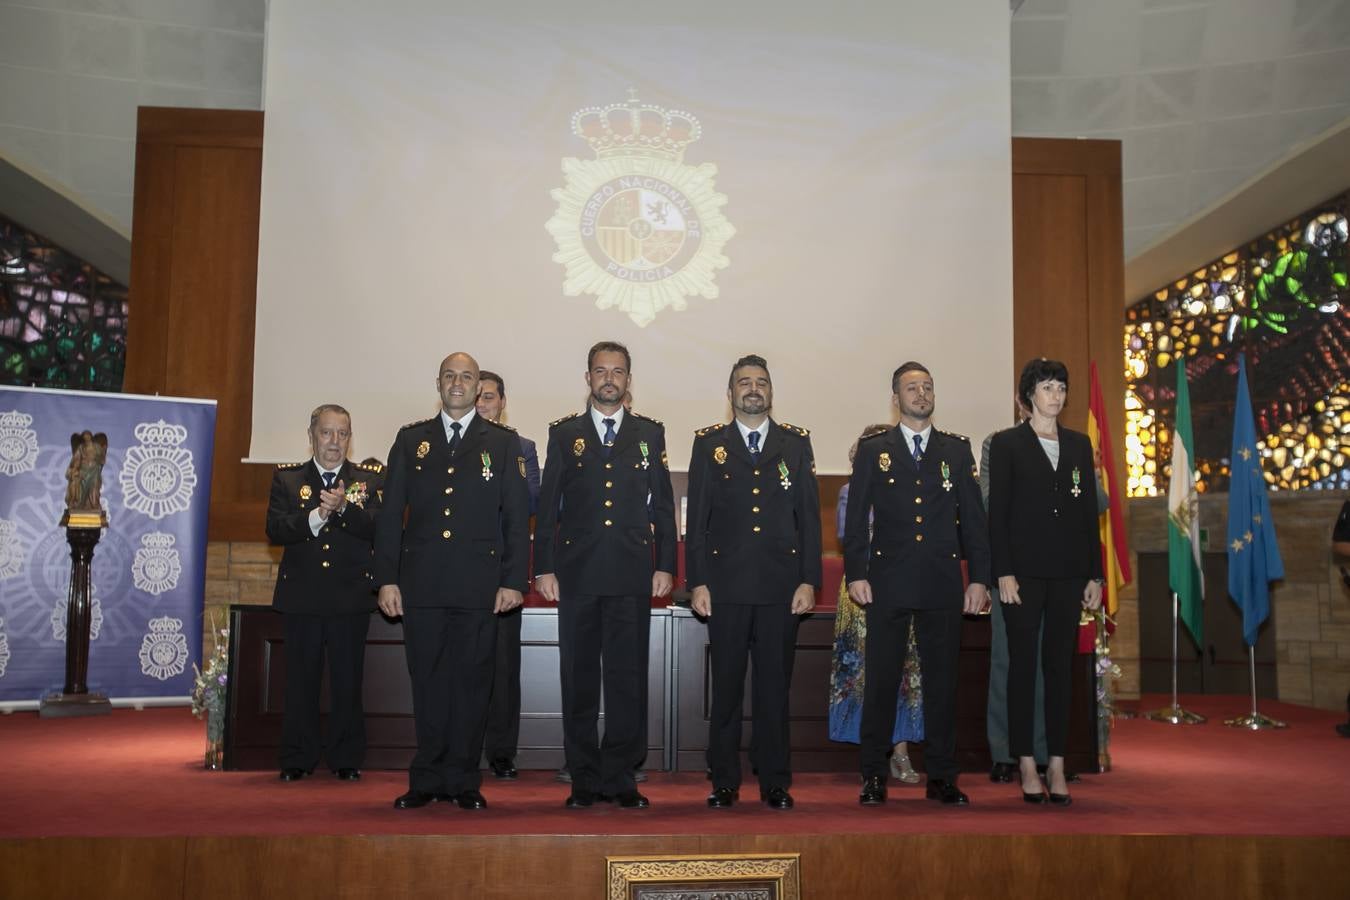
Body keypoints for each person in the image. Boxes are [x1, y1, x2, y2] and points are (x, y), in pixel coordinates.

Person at [374, 352, 530, 810]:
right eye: (450, 376)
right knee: (428, 681)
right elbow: (389, 517)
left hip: (477, 586)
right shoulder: (411, 440)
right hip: (421, 584)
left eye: (467, 377)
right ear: (438, 384)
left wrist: (513, 580)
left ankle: (463, 779)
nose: (458, 384)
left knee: (472, 683)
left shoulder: (502, 443)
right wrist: (386, 578)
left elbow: (517, 520)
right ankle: (426, 777)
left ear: (479, 385)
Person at [534, 341, 676, 809]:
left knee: (626, 678)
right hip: (577, 575)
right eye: (600, 371)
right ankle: (584, 776)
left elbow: (662, 504)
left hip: (632, 575)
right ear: (588, 378)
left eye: (617, 372)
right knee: (577, 678)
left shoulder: (648, 433)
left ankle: (621, 776)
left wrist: (665, 565)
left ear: (629, 380)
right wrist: (544, 568)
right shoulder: (564, 434)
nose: (609, 379)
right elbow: (548, 504)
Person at [843, 361, 991, 807]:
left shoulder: (955, 450)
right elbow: (855, 522)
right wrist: (857, 573)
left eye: (927, 387)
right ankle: (873, 774)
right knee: (882, 682)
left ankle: (943, 776)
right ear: (896, 398)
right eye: (912, 388)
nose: (921, 394)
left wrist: (979, 578)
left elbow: (975, 525)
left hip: (943, 582)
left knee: (942, 683)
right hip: (888, 581)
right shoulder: (875, 450)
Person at [686, 354, 821, 810]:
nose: (753, 389)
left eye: (761, 382)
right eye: (744, 382)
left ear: (771, 391)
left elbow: (809, 519)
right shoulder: (709, 445)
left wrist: (809, 579)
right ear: (730, 394)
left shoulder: (795, 443)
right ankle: (724, 778)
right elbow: (698, 519)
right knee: (725, 688)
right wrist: (698, 581)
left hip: (780, 589)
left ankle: (774, 780)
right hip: (725, 588)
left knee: (772, 689)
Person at [988, 358, 1103, 807]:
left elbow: (1086, 516)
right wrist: (1003, 572)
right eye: (1047, 387)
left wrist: (1093, 573)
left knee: (1059, 668)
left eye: (1061, 387)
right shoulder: (1008, 444)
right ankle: (1026, 762)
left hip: (1068, 573)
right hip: (1022, 574)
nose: (1055, 395)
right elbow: (997, 516)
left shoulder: (1078, 444)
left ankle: (1056, 760)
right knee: (1022, 668)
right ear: (1028, 396)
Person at [265, 404, 384, 782]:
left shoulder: (365, 481)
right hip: (302, 598)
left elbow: (377, 529)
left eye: (343, 434)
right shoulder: (288, 479)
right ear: (312, 434)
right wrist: (315, 516)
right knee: (300, 681)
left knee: (347, 682)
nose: (335, 442)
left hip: (349, 599)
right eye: (327, 433)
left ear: (351, 438)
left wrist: (344, 508)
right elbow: (276, 529)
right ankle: (297, 757)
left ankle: (346, 757)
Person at [828, 423, 924, 785]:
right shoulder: (850, 492)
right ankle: (869, 754)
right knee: (863, 675)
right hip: (860, 591)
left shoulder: (913, 492)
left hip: (903, 587)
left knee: (901, 674)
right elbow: (847, 534)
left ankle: (900, 752)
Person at [475, 370, 541, 780]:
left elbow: (531, 499)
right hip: (458, 571)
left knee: (503, 668)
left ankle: (501, 752)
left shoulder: (521, 447)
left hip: (502, 571)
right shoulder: (443, 445)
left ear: (502, 403)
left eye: (490, 397)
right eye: (477, 396)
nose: (482, 403)